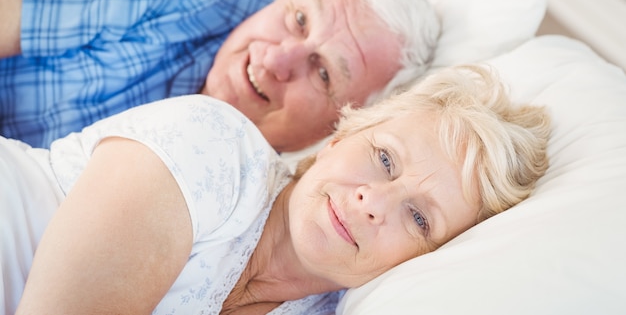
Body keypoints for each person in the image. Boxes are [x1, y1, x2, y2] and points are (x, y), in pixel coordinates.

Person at [1, 64, 551, 315]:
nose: (372, 203)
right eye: (384, 158)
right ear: (341, 136)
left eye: (420, 218)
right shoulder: (214, 147)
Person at [0, 0, 441, 153]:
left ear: (336, 129)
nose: (278, 59)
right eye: (300, 19)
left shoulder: (264, 205)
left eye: (324, 72)